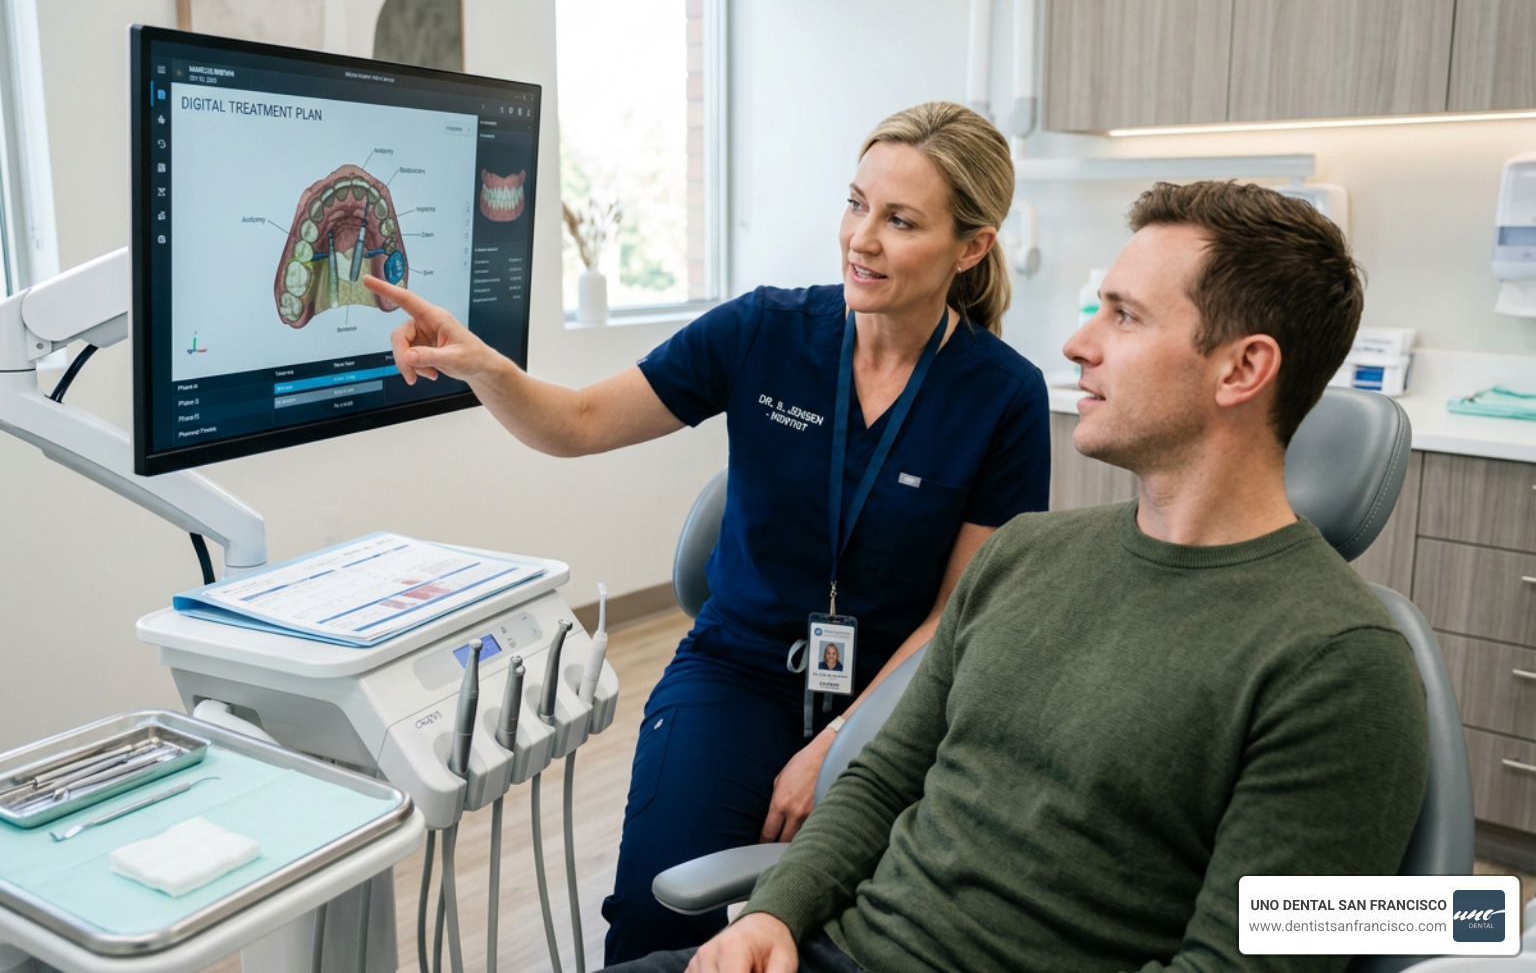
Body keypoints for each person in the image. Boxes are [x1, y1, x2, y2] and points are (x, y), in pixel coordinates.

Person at [602, 180, 1432, 973]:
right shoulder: (1022, 556)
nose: (1078, 344)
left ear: (1242, 370)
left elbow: (1242, 964)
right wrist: (775, 913)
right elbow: (884, 777)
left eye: (1125, 317)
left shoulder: (1343, 665)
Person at [363, 101, 1051, 961]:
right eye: (855, 203)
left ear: (972, 246)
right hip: (739, 670)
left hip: (895, 700)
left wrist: (840, 744)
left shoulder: (1004, 397)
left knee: (859, 937)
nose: (860, 238)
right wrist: (485, 367)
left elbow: (959, 614)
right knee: (656, 919)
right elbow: (575, 421)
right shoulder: (766, 330)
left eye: (900, 220)